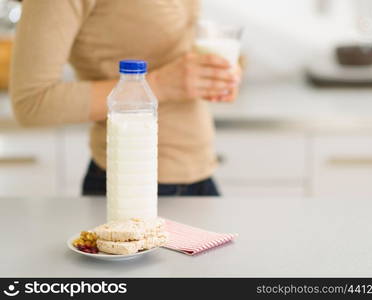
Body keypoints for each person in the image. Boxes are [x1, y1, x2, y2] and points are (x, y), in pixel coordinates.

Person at [10, 0, 241, 196]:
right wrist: (161, 85)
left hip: (202, 176)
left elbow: (176, 50)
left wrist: (214, 75)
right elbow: (31, 102)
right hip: (131, 186)